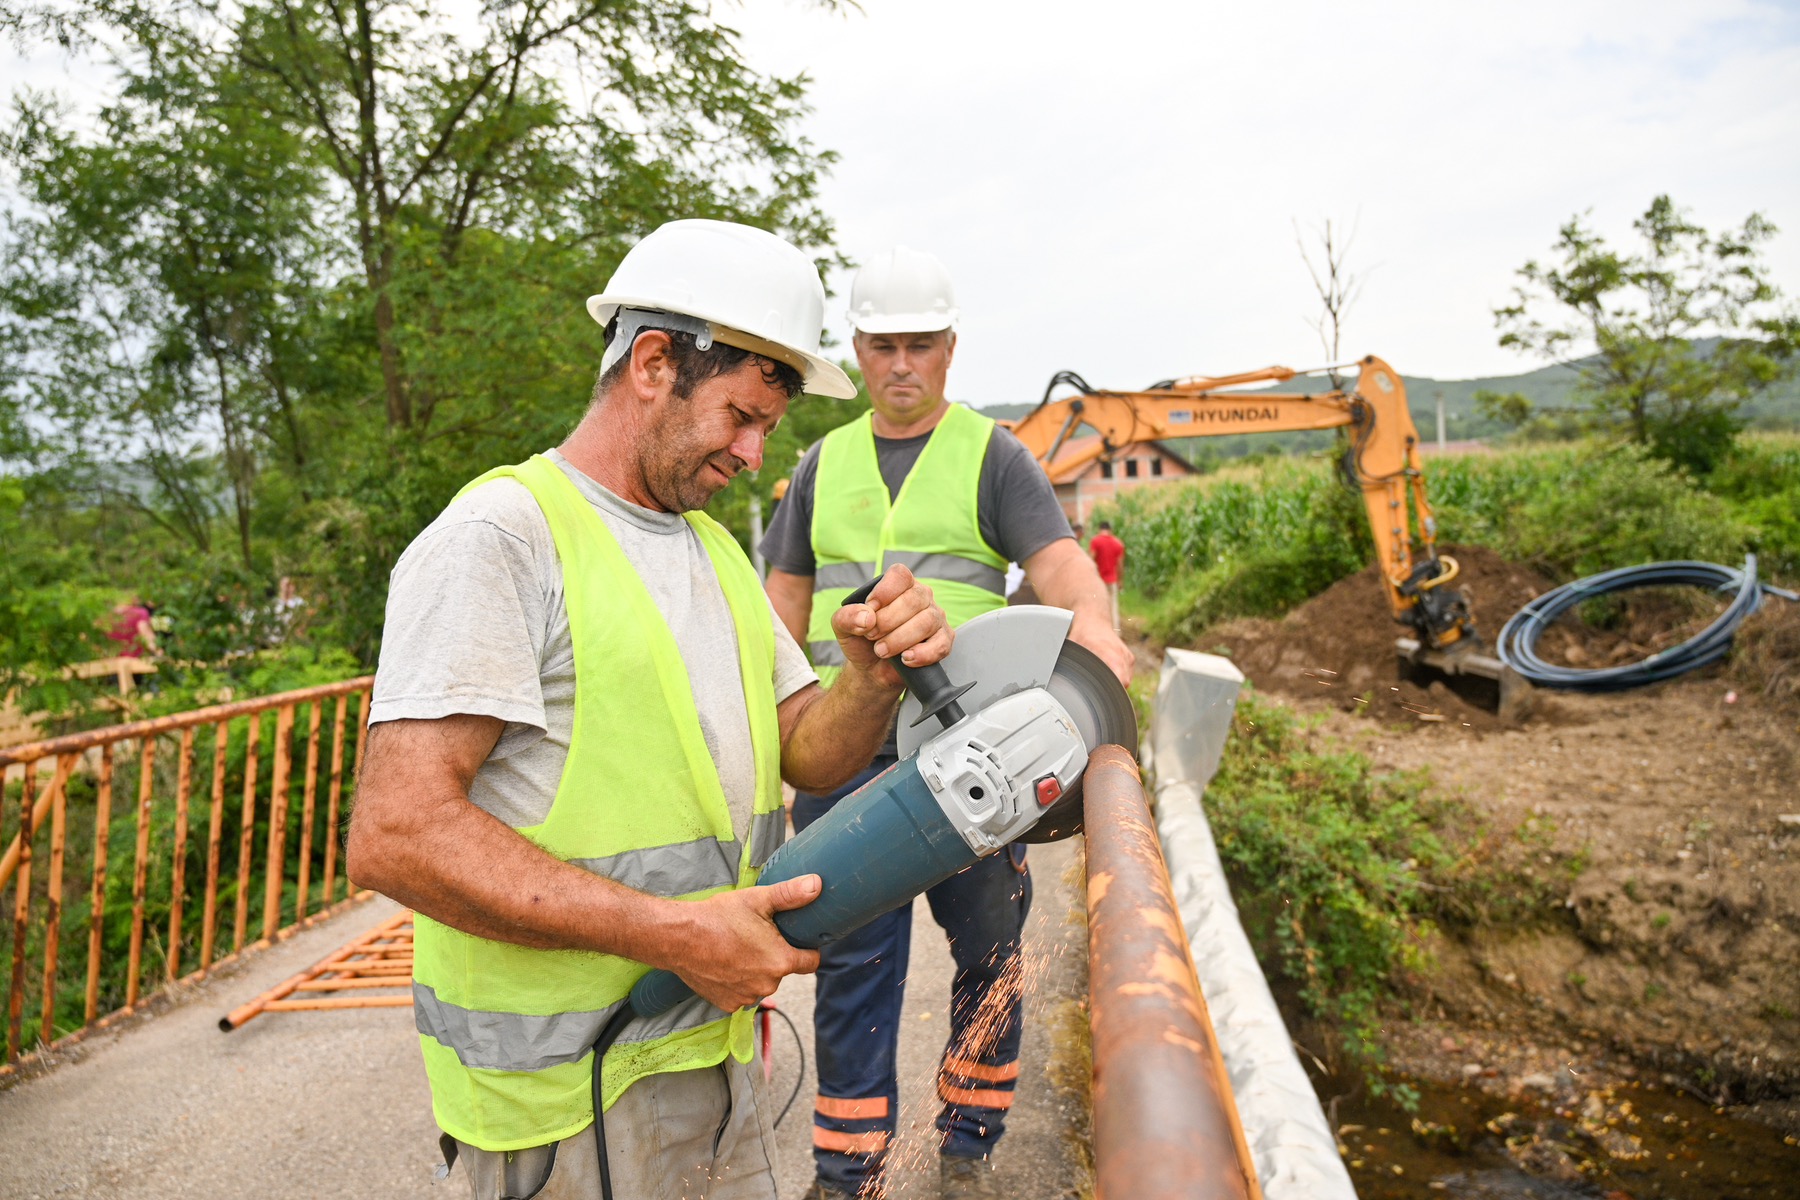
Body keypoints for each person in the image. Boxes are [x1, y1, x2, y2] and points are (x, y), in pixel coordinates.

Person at [346, 220, 955, 1200]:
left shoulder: (710, 550)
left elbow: (805, 750)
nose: (757, 454)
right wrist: (674, 935)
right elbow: (396, 833)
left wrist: (872, 678)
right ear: (653, 363)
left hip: (713, 1066)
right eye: (741, 416)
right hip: (562, 1108)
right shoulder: (502, 539)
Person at [759, 246, 1133, 1200]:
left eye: (919, 345)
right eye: (882, 345)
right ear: (856, 347)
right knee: (853, 962)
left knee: (991, 953)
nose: (899, 364)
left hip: (975, 755)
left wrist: (1099, 643)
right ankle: (849, 1174)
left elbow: (1063, 572)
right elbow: (776, 605)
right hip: (840, 754)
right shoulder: (819, 464)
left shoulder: (994, 457)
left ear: (951, 349)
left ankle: (968, 1148)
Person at [1089, 521, 1126, 633]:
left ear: (1100, 529)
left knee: (1098, 607)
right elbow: (1120, 565)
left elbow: (1091, 561)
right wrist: (1120, 581)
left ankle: (1100, 632)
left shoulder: (1095, 541)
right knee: (1113, 607)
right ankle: (1115, 633)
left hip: (1099, 582)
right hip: (1112, 581)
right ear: (1110, 530)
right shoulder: (1118, 543)